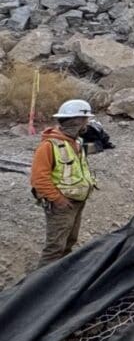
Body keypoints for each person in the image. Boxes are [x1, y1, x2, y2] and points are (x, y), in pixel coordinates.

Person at [30, 99, 99, 266]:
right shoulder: (48, 146)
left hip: (76, 202)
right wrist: (58, 199)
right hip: (61, 205)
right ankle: (40, 286)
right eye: (85, 120)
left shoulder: (76, 142)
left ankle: (60, 279)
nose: (87, 123)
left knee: (69, 242)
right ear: (77, 121)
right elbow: (39, 179)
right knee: (55, 248)